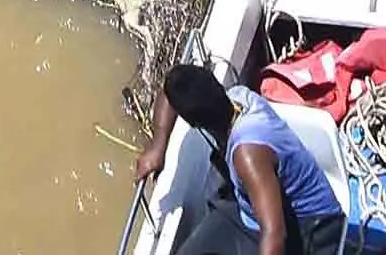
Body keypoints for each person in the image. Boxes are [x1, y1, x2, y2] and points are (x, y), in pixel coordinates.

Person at [133, 64, 356, 255]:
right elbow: (169, 91)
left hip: (311, 229)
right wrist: (157, 146)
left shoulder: (248, 155)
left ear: (194, 124)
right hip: (250, 211)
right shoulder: (236, 97)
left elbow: (275, 235)